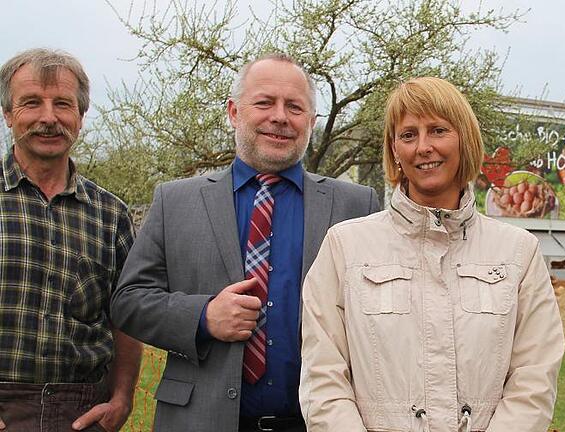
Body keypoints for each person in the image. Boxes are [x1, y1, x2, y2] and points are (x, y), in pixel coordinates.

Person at [110, 53, 379, 432]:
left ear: (311, 122)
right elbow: (128, 302)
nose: (280, 117)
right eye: (265, 102)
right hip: (197, 420)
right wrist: (203, 316)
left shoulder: (356, 204)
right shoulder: (176, 201)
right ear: (234, 112)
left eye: (295, 107)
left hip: (319, 423)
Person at [300, 77, 565, 432]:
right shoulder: (345, 248)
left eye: (438, 130)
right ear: (394, 149)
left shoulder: (517, 252)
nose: (423, 147)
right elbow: (323, 380)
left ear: (465, 140)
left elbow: (534, 377)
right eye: (408, 135)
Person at [0, 48, 142, 431]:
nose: (49, 118)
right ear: (8, 114)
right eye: (32, 103)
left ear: (80, 117)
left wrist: (122, 398)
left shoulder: (111, 215)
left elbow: (125, 318)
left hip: (82, 412)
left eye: (62, 104)